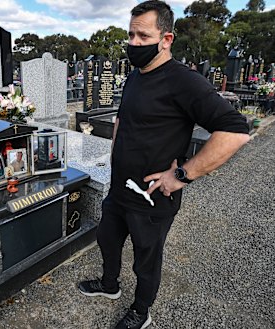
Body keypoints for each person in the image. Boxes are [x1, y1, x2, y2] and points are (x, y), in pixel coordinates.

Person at [77, 2, 250, 329]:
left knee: (146, 261)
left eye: (143, 36)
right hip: (120, 189)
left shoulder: (184, 82)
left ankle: (141, 312)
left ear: (167, 38)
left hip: (153, 197)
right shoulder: (135, 77)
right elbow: (123, 121)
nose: (134, 43)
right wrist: (115, 155)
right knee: (108, 239)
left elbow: (236, 132)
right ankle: (109, 285)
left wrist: (183, 175)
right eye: (131, 34)